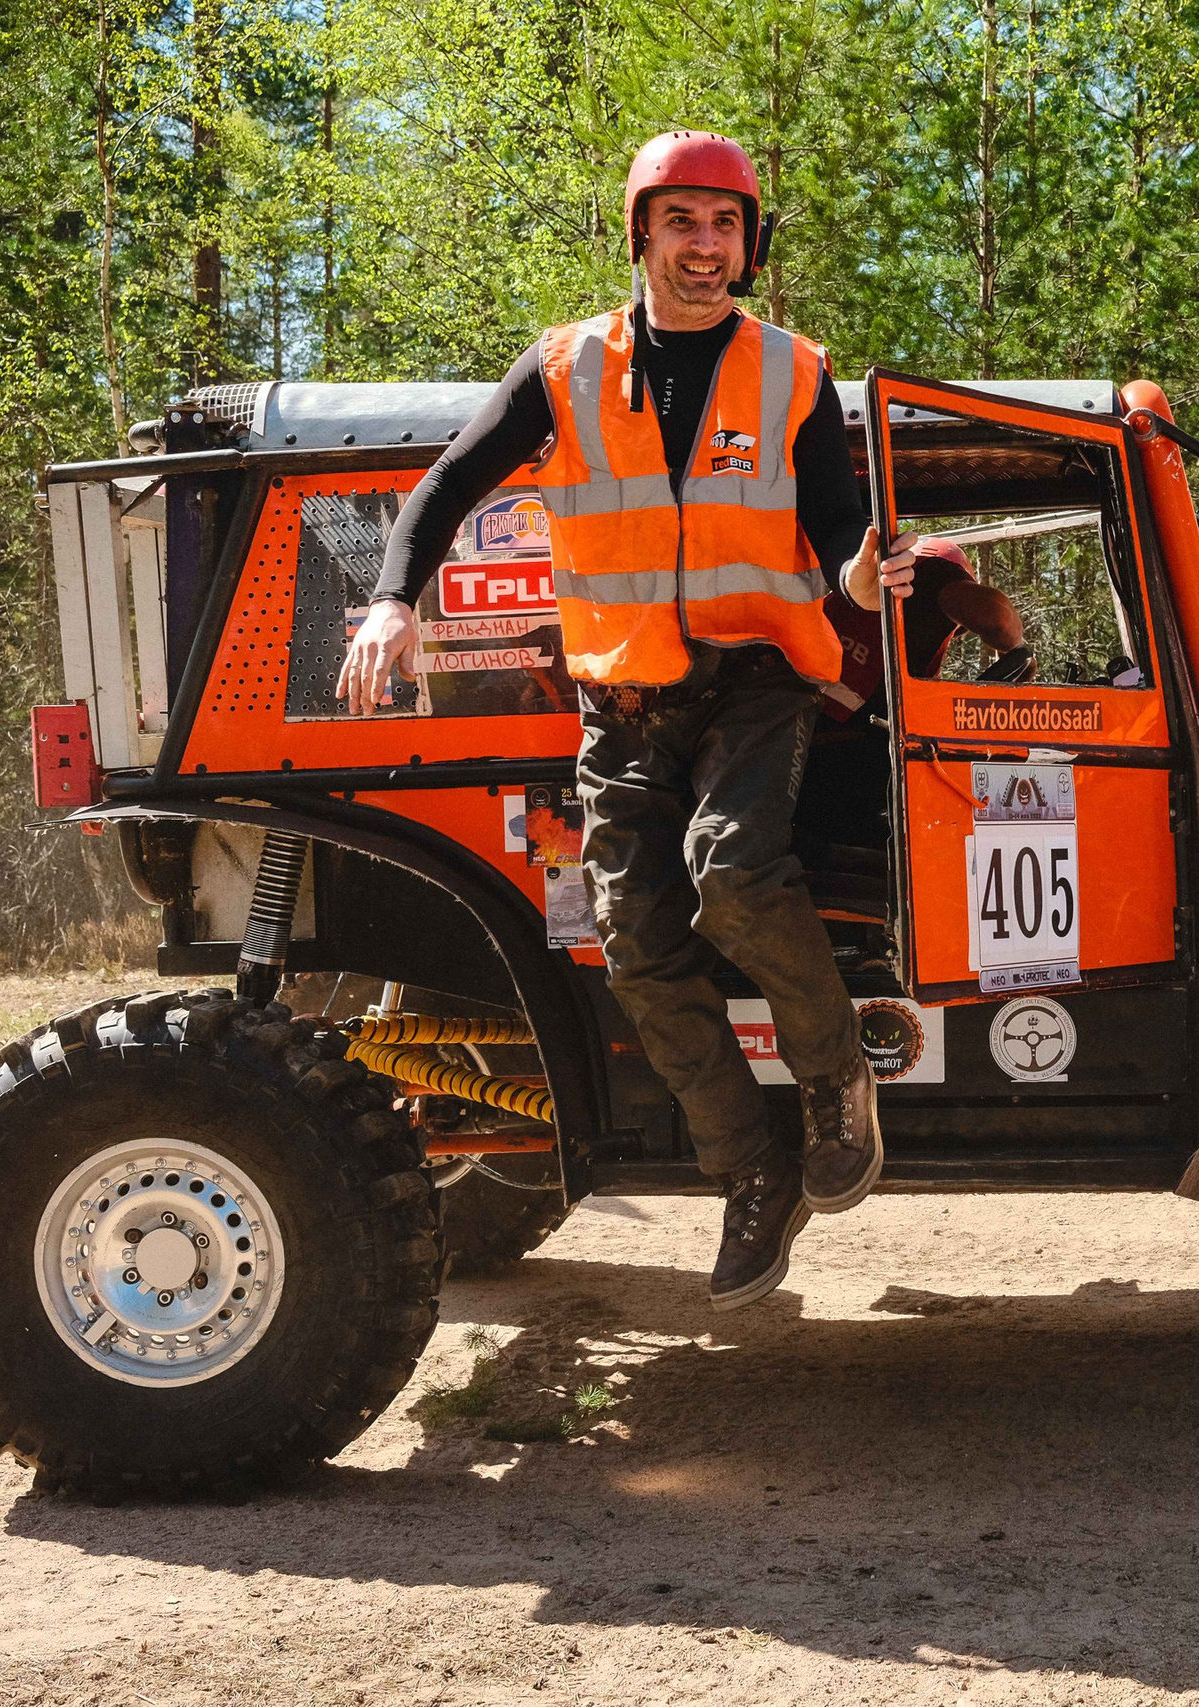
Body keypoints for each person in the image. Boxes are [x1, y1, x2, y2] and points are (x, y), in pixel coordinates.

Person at [334, 129, 916, 1312]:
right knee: (635, 939)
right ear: (641, 232)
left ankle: (834, 1075)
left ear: (749, 244)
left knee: (734, 879)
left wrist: (865, 581)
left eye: (725, 225)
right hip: (623, 700)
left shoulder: (793, 371)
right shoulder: (562, 367)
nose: (704, 246)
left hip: (758, 682)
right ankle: (752, 1172)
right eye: (682, 221)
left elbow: (840, 527)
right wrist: (394, 599)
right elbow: (446, 487)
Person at [795, 537, 1027, 854]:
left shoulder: (859, 593)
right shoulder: (933, 574)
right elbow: (998, 621)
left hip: (805, 741)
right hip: (844, 751)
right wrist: (1017, 649)